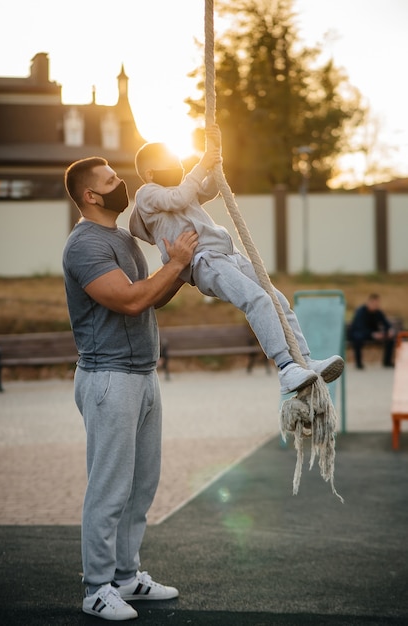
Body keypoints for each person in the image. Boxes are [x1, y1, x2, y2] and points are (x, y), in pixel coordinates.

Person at [63, 156, 199, 621]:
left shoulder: (122, 238)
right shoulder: (84, 245)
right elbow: (131, 300)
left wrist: (181, 267)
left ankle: (125, 576)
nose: (122, 183)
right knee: (110, 488)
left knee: (141, 486)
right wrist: (176, 261)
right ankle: (96, 588)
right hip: (109, 378)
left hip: (142, 373)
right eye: (111, 181)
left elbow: (153, 294)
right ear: (91, 196)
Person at [129, 125, 344, 395]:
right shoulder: (147, 193)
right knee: (257, 300)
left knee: (277, 299)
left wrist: (214, 161)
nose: (178, 167)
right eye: (170, 163)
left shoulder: (178, 190)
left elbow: (205, 191)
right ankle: (286, 367)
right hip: (204, 261)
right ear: (150, 173)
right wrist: (201, 163)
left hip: (228, 254)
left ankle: (305, 359)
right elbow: (180, 196)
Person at [349, 293, 396, 369]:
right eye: (374, 303)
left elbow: (386, 323)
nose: (376, 305)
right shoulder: (361, 312)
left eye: (377, 303)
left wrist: (390, 330)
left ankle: (387, 362)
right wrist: (372, 334)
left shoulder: (378, 312)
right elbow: (359, 327)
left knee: (390, 339)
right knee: (357, 338)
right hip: (362, 334)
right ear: (369, 302)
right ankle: (359, 363)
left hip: (373, 334)